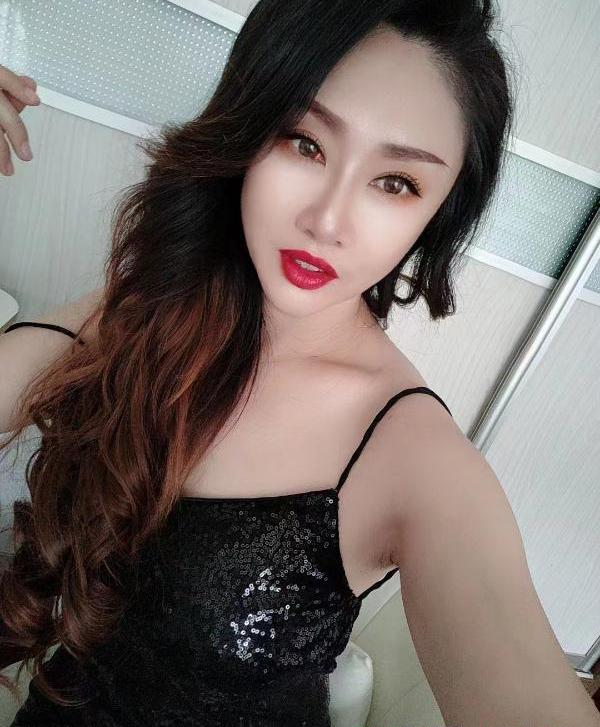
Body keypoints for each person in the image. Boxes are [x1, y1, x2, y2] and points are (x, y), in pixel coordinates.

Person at [1, 2, 599, 726]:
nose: (327, 220)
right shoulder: (146, 315)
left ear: (436, 215)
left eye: (395, 183)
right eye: (305, 143)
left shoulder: (414, 457)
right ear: (247, 131)